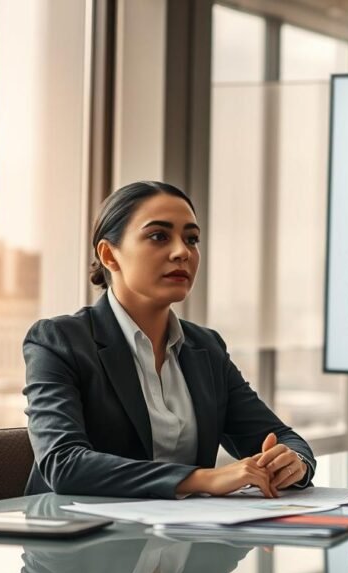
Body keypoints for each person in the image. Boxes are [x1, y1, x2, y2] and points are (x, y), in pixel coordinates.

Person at [23, 180, 314, 499]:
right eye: (158, 236)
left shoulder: (206, 347)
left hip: (183, 539)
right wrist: (201, 479)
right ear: (109, 255)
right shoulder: (59, 340)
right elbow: (63, 464)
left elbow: (282, 437)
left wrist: (292, 462)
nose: (182, 252)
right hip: (79, 540)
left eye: (192, 239)